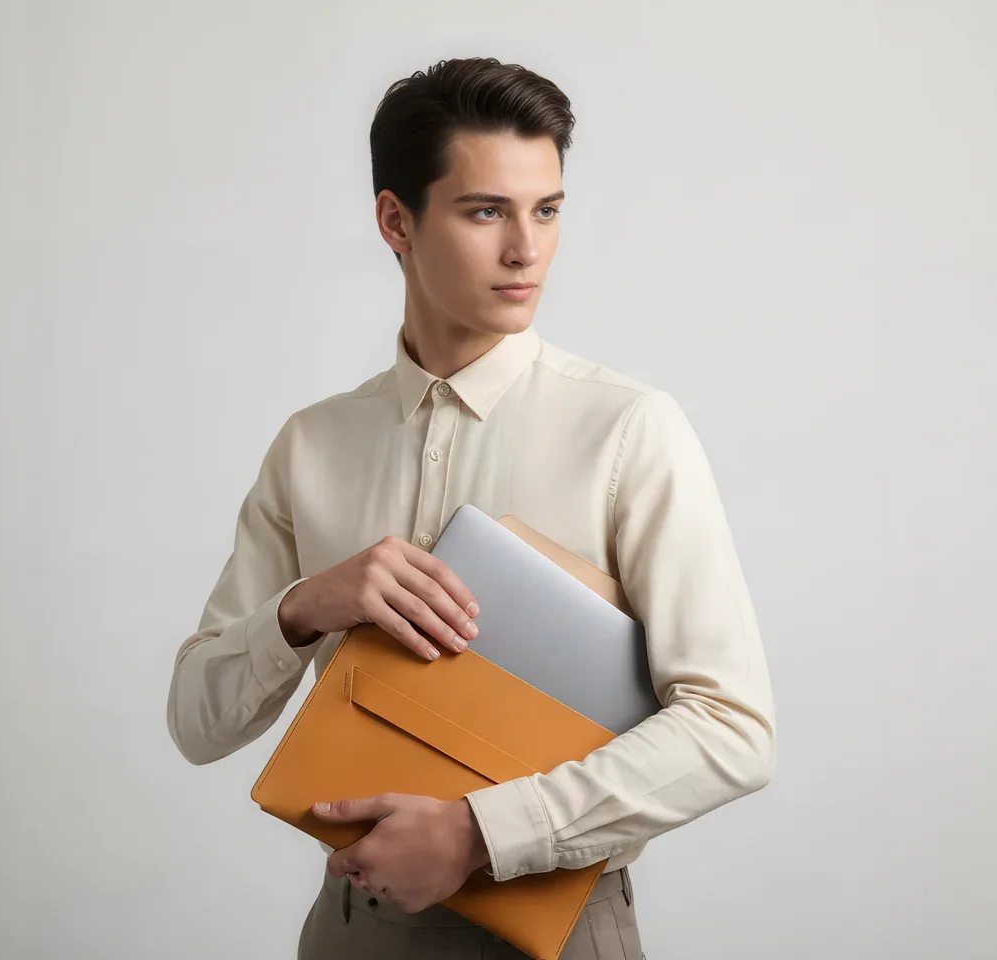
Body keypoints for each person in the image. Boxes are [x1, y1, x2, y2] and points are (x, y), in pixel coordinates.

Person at [166, 56, 776, 959]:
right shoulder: (313, 444)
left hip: (557, 930)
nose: (527, 249)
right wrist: (305, 608)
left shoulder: (628, 430)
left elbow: (733, 731)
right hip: (349, 934)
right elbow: (197, 721)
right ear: (394, 220)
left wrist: (481, 834)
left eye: (548, 210)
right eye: (486, 210)